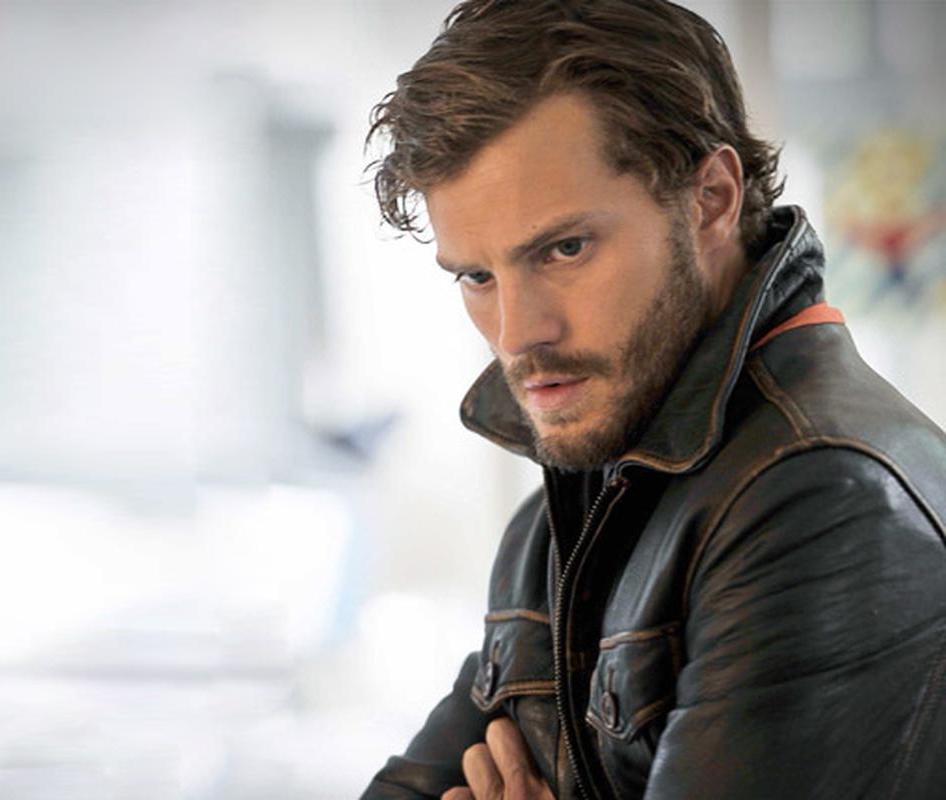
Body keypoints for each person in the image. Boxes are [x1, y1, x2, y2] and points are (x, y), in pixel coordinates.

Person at [358, 2, 946, 799]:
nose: (517, 333)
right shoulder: (573, 502)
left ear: (712, 199)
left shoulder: (825, 495)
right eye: (477, 276)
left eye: (565, 249)